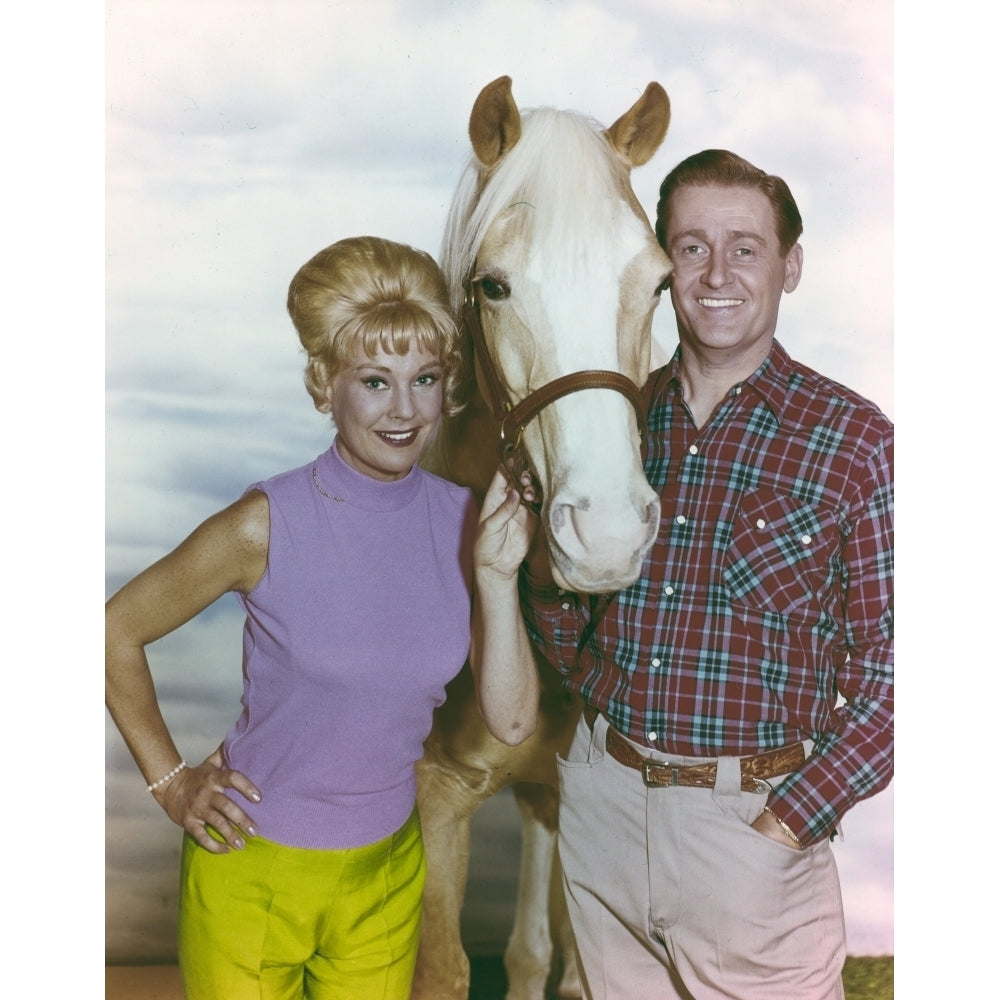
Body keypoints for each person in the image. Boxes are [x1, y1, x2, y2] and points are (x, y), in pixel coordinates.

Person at [105, 235, 538, 1000]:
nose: (404, 410)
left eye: (425, 379)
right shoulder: (264, 523)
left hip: (388, 876)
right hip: (253, 871)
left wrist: (499, 580)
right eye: (375, 381)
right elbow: (112, 631)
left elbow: (509, 722)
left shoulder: (469, 523)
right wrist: (173, 784)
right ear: (323, 386)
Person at [519, 150, 893, 1000]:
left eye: (745, 248)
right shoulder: (616, 426)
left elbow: (898, 680)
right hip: (605, 819)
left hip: (754, 834)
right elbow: (566, 624)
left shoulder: (855, 442)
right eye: (690, 248)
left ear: (789, 266)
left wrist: (781, 827)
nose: (716, 273)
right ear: (661, 267)